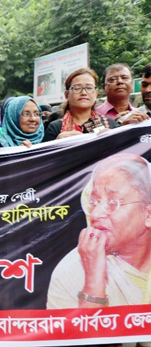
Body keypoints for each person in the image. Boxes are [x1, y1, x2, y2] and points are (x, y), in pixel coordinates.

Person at [47, 154, 151, 308]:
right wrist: (94, 281)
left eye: (112, 202)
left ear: (148, 214)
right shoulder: (71, 271)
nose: (95, 214)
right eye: (94, 202)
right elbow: (75, 332)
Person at [43, 68, 118, 142]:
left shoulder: (109, 123)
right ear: (66, 94)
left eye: (89, 88)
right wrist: (57, 143)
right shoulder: (55, 127)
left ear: (96, 93)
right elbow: (45, 153)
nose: (84, 93)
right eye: (77, 88)